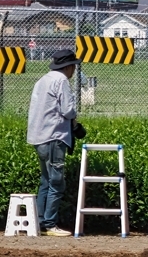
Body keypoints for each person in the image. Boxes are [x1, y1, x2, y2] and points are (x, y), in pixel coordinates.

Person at [26, 49, 81, 237]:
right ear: (68, 67)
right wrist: (75, 121)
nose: (74, 69)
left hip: (38, 136)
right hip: (54, 136)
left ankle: (40, 221)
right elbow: (68, 110)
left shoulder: (42, 80)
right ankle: (50, 224)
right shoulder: (61, 81)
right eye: (73, 66)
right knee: (56, 182)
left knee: (45, 181)